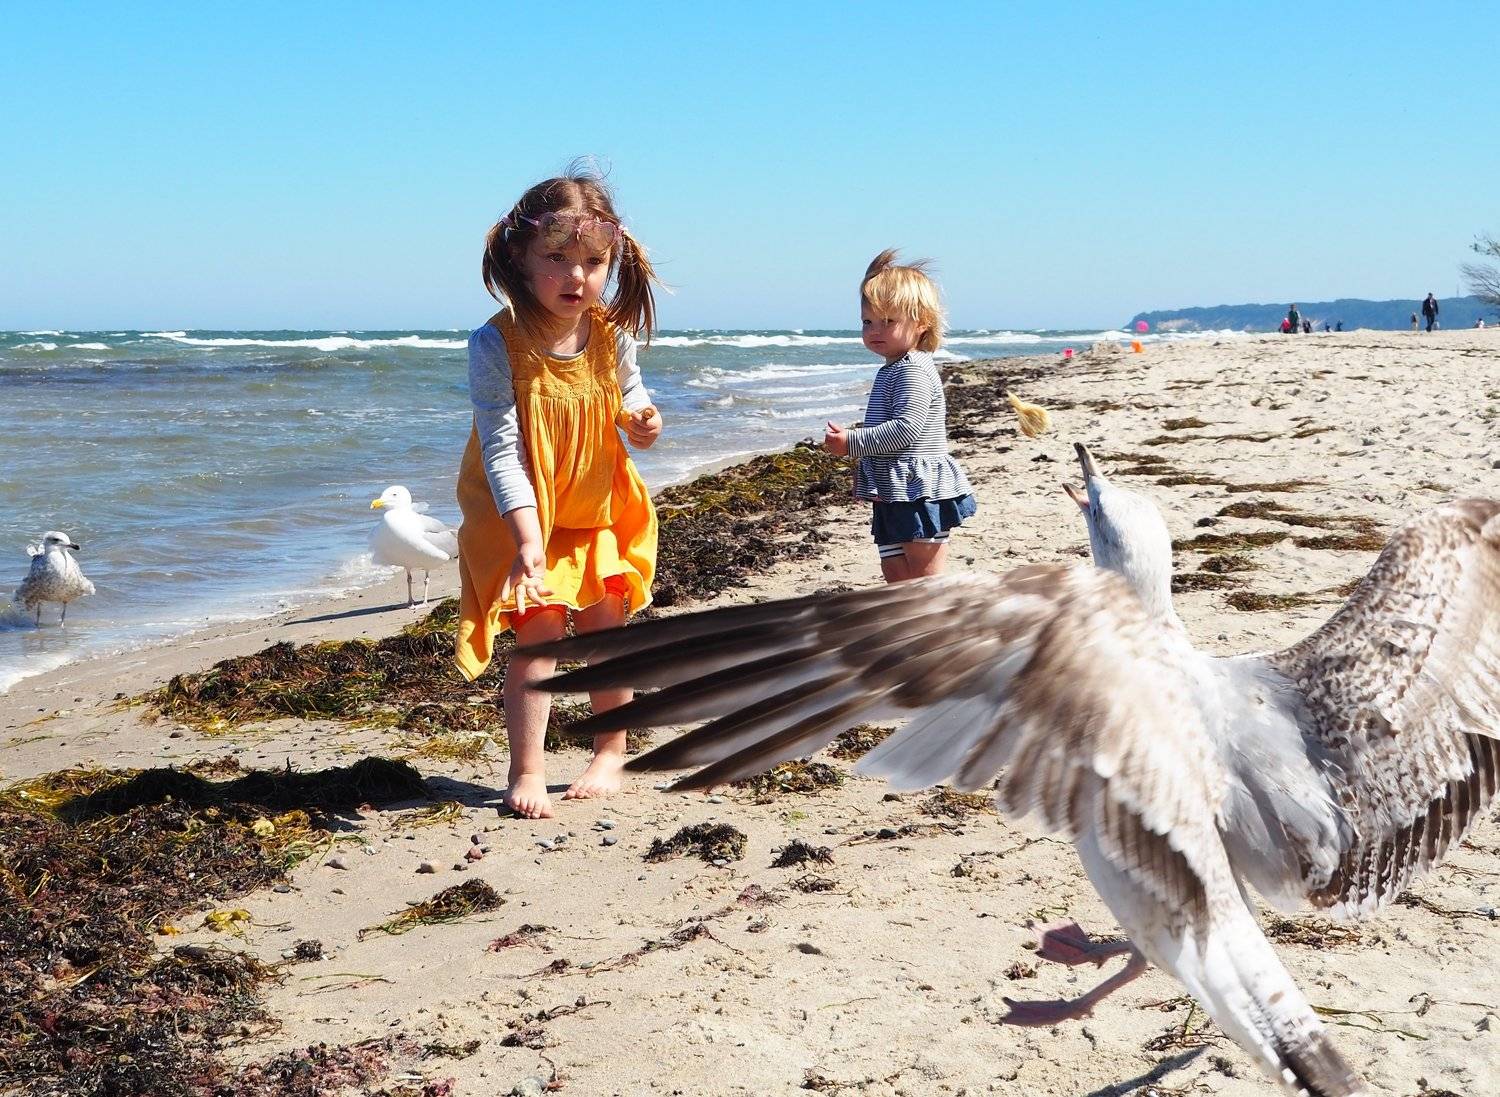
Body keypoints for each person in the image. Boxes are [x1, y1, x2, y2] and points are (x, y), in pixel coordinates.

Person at [454, 167, 664, 819]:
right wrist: (526, 540)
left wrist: (641, 419)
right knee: (539, 635)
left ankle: (611, 751)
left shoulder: (611, 334)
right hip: (528, 514)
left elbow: (630, 395)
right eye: (556, 259)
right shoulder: (496, 343)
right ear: (520, 256)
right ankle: (528, 769)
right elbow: (500, 450)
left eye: (594, 262)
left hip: (595, 506)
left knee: (605, 629)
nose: (577, 276)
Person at [823, 250, 976, 583]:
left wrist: (851, 442)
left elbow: (906, 429)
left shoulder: (913, 370)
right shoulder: (892, 369)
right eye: (867, 322)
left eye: (888, 321)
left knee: (923, 578)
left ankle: (934, 616)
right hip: (894, 489)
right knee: (895, 571)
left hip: (918, 489)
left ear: (921, 323)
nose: (874, 330)